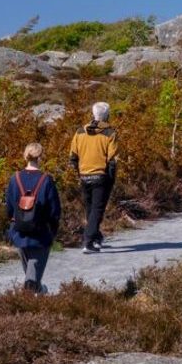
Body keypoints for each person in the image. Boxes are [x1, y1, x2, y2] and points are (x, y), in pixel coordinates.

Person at [3, 143, 63, 293]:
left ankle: (36, 296)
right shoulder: (46, 180)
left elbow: (9, 207)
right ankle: (32, 298)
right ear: (40, 157)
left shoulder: (14, 179)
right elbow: (54, 210)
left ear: (25, 156)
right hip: (41, 233)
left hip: (19, 231)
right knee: (33, 273)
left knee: (31, 269)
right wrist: (53, 231)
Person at [68, 101, 118, 253]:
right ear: (107, 115)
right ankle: (88, 241)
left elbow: (73, 156)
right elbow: (113, 159)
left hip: (84, 175)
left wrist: (78, 172)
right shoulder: (110, 133)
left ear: (93, 114)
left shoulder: (79, 132)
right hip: (101, 176)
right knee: (97, 209)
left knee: (90, 208)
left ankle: (96, 237)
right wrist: (111, 178)